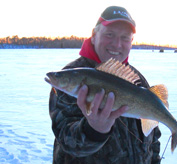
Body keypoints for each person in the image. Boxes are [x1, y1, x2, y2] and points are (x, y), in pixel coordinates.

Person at [48, 6, 161, 164]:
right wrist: (94, 130)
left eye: (125, 38)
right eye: (110, 35)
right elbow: (67, 141)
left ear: (131, 43)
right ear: (94, 36)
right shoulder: (72, 77)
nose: (117, 44)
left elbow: (153, 137)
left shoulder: (137, 79)